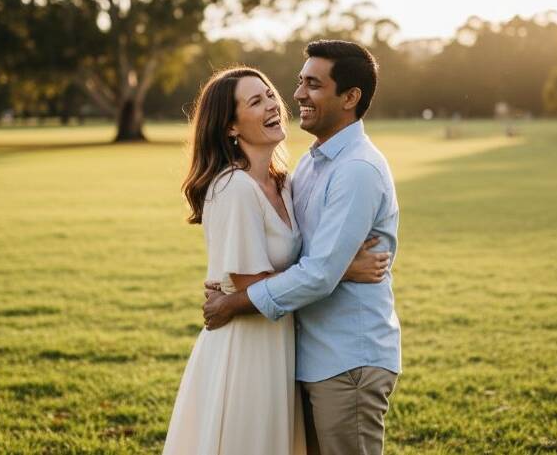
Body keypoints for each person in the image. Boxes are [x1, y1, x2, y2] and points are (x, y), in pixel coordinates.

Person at [162, 66, 389, 455]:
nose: (272, 104)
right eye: (255, 101)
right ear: (231, 127)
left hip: (282, 344)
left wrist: (328, 269)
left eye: (269, 94)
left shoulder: (284, 182)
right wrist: (342, 269)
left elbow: (300, 261)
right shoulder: (233, 187)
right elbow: (251, 287)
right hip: (247, 347)